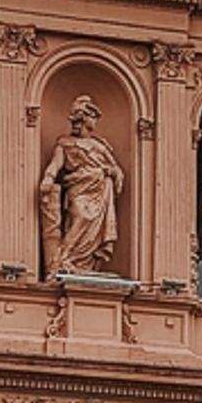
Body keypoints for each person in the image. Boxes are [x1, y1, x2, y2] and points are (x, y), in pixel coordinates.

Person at [38, 96, 124, 273]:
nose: (93, 121)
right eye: (90, 117)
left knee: (95, 229)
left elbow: (115, 167)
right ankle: (63, 259)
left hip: (99, 192)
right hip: (79, 189)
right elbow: (56, 164)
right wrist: (48, 177)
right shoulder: (65, 143)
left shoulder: (99, 145)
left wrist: (113, 173)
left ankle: (86, 266)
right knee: (81, 217)